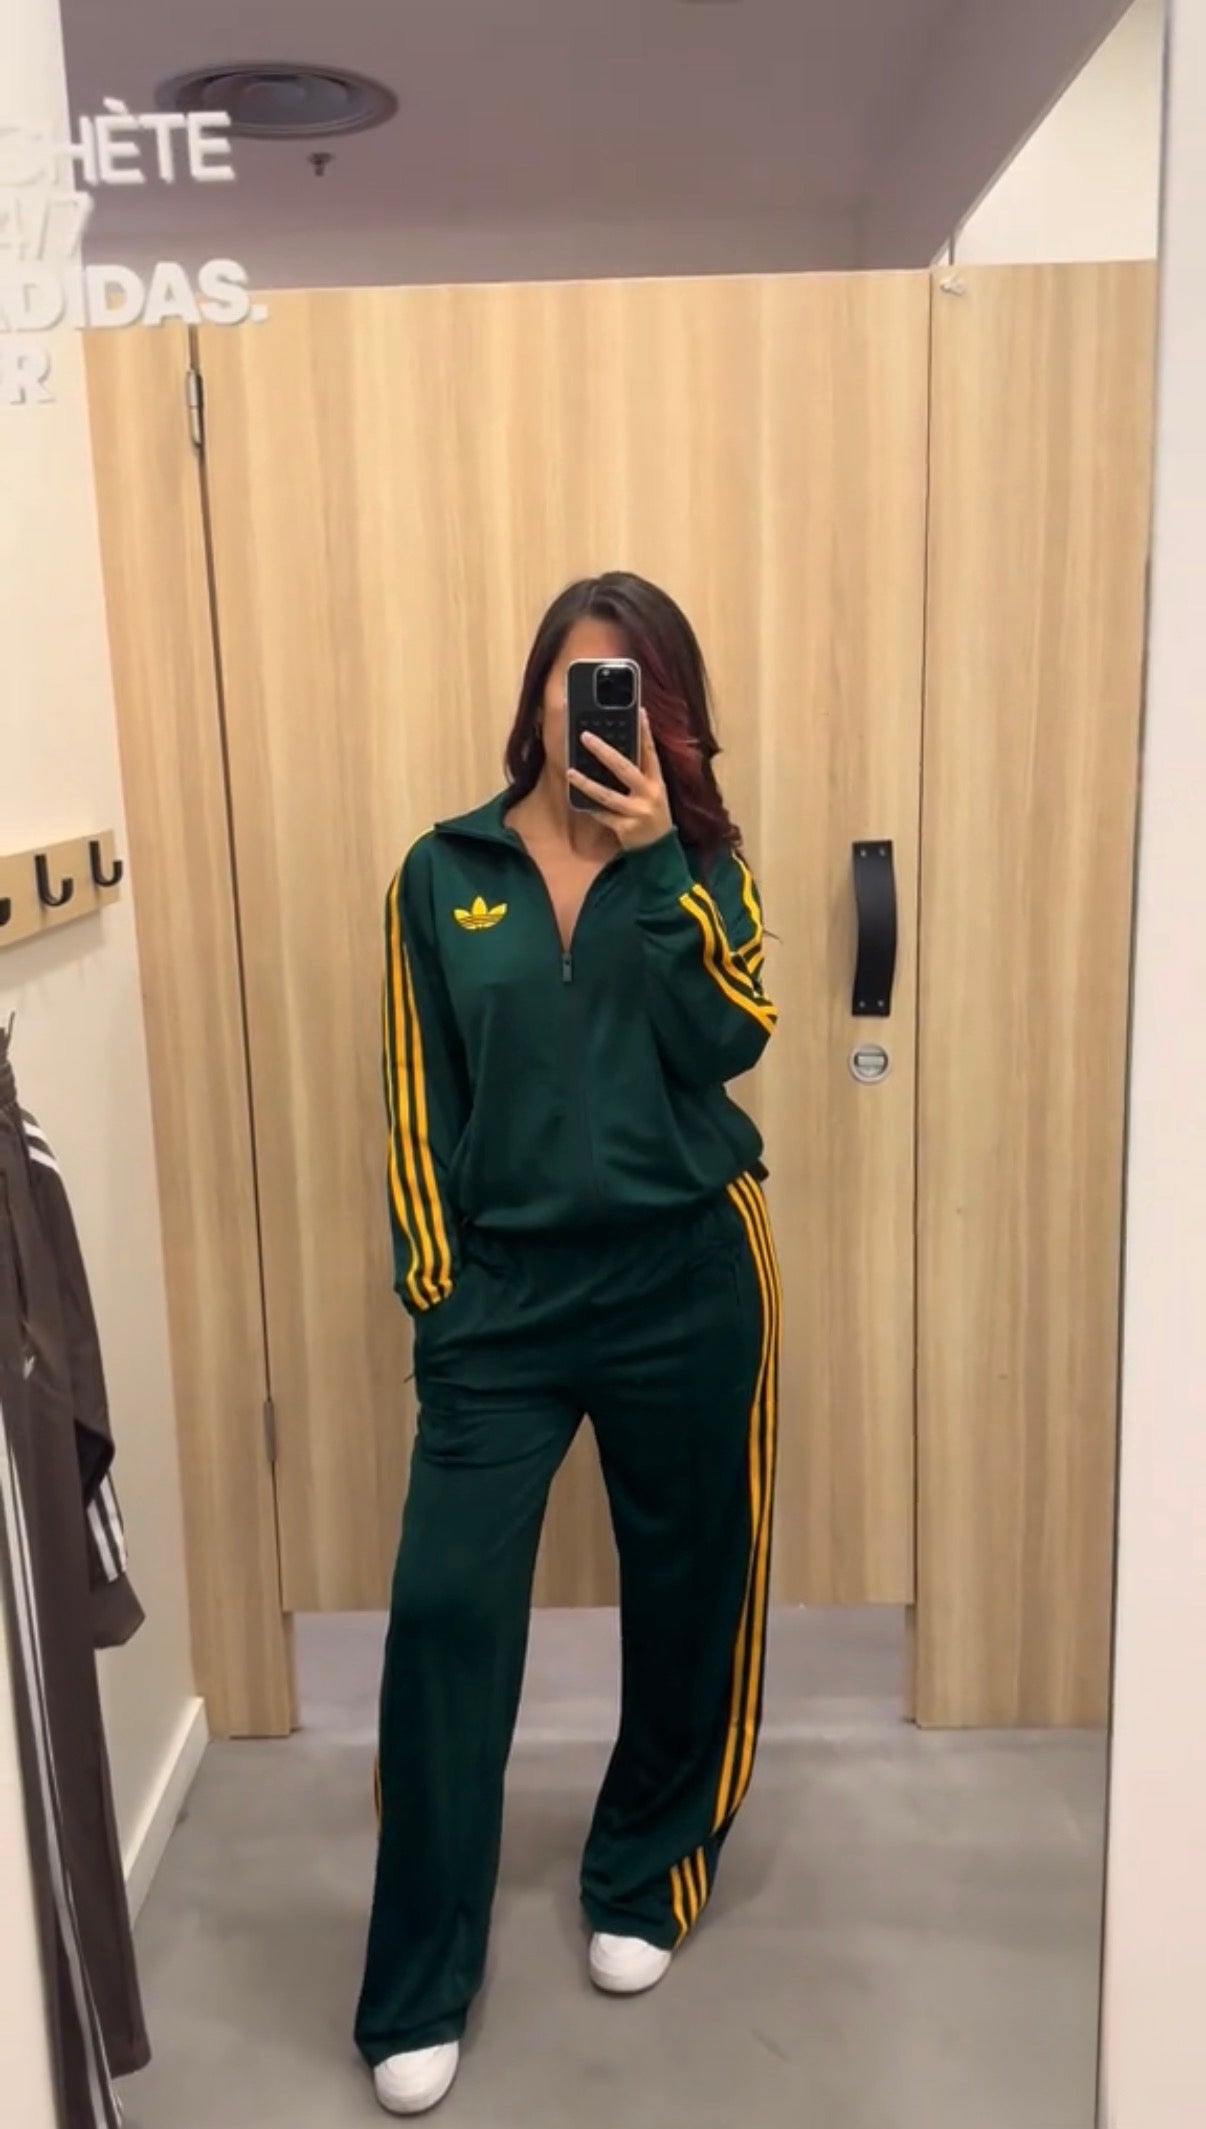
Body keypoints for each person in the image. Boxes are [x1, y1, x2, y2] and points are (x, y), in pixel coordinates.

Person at [356, 571, 781, 2116]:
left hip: (686, 1275)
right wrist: (439, 1290)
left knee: (689, 1587)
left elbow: (731, 1035)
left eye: (635, 689)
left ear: (668, 716)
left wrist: (660, 858)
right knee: (444, 1619)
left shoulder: (705, 866)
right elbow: (419, 1093)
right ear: (535, 689)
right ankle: (418, 1971)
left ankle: (645, 1871)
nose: (602, 711)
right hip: (505, 1304)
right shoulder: (439, 871)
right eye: (579, 679)